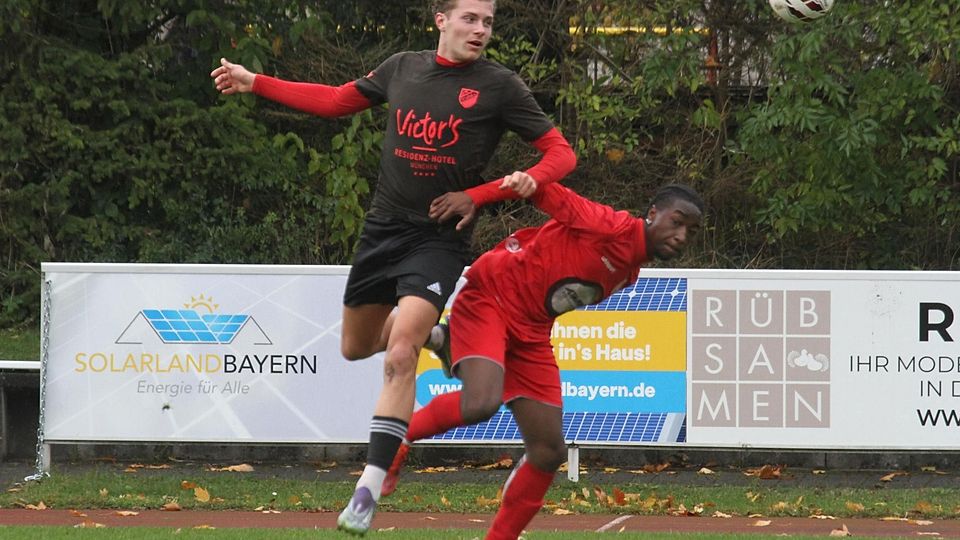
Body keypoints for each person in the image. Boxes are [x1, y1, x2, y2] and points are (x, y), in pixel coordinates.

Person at [211, 0, 576, 535]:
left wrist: (493, 190)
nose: (480, 30)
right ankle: (440, 338)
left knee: (400, 349)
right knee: (356, 347)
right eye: (470, 19)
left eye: (488, 22)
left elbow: (561, 154)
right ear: (441, 20)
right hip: (382, 230)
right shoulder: (402, 67)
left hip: (439, 239)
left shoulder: (500, 85)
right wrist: (255, 81)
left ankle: (369, 486)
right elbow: (337, 101)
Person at [382, 179, 703, 540]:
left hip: (532, 330)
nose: (681, 235)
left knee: (549, 450)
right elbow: (538, 189)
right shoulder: (607, 224)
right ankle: (396, 437)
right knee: (481, 402)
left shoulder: (631, 272)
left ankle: (445, 338)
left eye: (690, 231)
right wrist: (478, 196)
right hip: (492, 296)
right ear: (653, 214)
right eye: (677, 222)